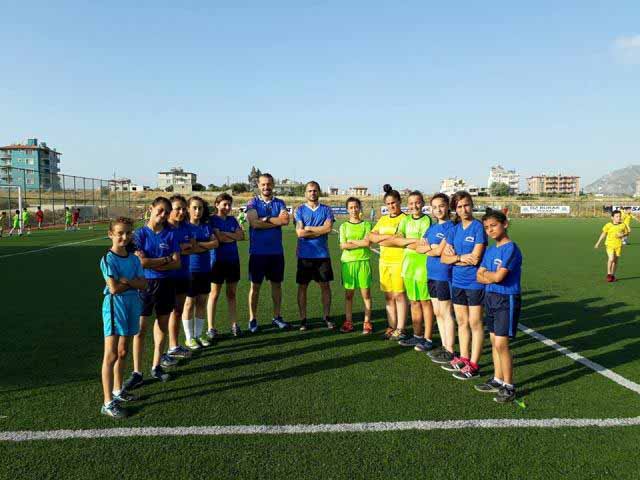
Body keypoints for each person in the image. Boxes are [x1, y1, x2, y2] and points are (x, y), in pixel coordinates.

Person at [123, 197, 181, 391]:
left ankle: (156, 366)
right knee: (140, 329)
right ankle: (137, 373)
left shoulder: (171, 234)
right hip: (145, 285)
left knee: (162, 325)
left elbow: (177, 263)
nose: (163, 215)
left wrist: (153, 261)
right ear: (151, 208)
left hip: (166, 284)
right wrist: (165, 259)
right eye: (160, 210)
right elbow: (142, 263)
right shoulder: (139, 235)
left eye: (167, 212)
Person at [99, 217, 147, 418]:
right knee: (111, 354)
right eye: (120, 233)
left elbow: (144, 284)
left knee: (123, 350)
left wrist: (128, 282)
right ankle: (107, 402)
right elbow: (114, 288)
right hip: (115, 306)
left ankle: (118, 390)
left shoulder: (134, 259)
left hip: (132, 304)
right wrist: (132, 283)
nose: (124, 237)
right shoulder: (108, 259)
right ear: (111, 234)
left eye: (128, 233)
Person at [475, 209, 523, 403]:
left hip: (506, 299)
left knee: (502, 344)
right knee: (494, 341)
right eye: (487, 227)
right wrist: (490, 276)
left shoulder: (511, 249)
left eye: (493, 225)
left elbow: (499, 277)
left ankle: (509, 386)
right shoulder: (491, 250)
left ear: (505, 224)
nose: (490, 230)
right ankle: (498, 379)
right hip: (491, 297)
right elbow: (479, 276)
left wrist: (488, 276)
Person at [441, 191, 487, 380]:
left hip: (475, 283)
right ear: (455, 209)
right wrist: (459, 258)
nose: (464, 209)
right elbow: (444, 258)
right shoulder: (454, 229)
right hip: (457, 282)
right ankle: (464, 358)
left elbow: (475, 259)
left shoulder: (478, 228)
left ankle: (474, 365)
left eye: (466, 205)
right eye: (459, 207)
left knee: (475, 323)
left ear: (472, 205)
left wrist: (454, 258)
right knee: (461, 321)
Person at [245, 173, 291, 333]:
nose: (266, 187)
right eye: (263, 184)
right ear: (258, 185)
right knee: (255, 287)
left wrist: (264, 219)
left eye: (269, 184)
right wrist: (274, 221)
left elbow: (285, 220)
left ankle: (277, 316)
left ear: (273, 185)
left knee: (276, 286)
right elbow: (254, 223)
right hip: (257, 253)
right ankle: (252, 319)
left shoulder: (280, 202)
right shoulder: (252, 202)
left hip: (276, 253)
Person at [390, 191, 433, 350]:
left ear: (423, 204)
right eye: (411, 203)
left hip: (422, 266)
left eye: (417, 202)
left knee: (425, 302)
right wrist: (413, 241)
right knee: (414, 302)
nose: (414, 206)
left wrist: (405, 242)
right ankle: (417, 336)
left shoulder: (426, 220)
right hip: (408, 266)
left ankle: (428, 338)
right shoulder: (405, 220)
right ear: (407, 205)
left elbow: (423, 245)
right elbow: (396, 239)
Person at [419, 194, 457, 364]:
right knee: (437, 312)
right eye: (434, 207)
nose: (438, 210)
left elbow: (438, 251)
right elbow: (420, 247)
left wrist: (431, 248)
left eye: (441, 206)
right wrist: (431, 248)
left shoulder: (451, 227)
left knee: (446, 312)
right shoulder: (431, 228)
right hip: (431, 274)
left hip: (444, 274)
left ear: (447, 206)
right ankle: (444, 345)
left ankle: (450, 350)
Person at [295, 181, 335, 331]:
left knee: (325, 286)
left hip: (322, 255)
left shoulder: (326, 210)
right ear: (305, 193)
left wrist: (309, 228)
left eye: (315, 190)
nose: (312, 193)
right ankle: (303, 319)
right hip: (304, 256)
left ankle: (326, 317)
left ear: (319, 192)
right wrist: (320, 230)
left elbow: (328, 228)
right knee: (302, 287)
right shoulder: (299, 210)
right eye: (310, 191)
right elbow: (300, 232)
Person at [369, 185, 407, 340]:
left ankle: (401, 328)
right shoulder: (383, 219)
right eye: (388, 204)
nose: (391, 206)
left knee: (399, 295)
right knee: (389, 296)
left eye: (394, 203)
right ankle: (391, 326)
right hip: (384, 262)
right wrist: (388, 238)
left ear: (399, 201)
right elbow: (371, 236)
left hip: (399, 261)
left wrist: (382, 239)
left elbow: (398, 241)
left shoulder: (405, 219)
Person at [182, 196, 219, 349]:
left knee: (202, 302)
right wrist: (205, 245)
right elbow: (188, 248)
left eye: (200, 208)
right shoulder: (184, 227)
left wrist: (198, 244)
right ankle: (189, 337)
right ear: (188, 209)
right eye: (194, 208)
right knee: (189, 303)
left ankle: (198, 335)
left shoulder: (206, 227)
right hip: (190, 270)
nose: (197, 211)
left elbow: (215, 243)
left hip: (205, 269)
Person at [209, 193, 244, 338]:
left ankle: (234, 325)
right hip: (217, 261)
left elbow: (241, 236)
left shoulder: (232, 219)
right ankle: (211, 327)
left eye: (229, 205)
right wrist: (231, 235)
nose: (227, 207)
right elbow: (219, 238)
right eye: (224, 204)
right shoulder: (212, 220)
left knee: (231, 294)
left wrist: (226, 234)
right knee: (214, 294)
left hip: (233, 260)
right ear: (217, 205)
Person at [339, 197, 373, 334]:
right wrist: (360, 242)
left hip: (363, 262)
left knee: (366, 294)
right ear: (347, 210)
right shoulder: (344, 226)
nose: (354, 210)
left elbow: (367, 243)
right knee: (349, 295)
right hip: (348, 263)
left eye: (356, 207)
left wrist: (352, 241)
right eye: (351, 207)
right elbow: (343, 245)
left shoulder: (366, 225)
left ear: (360, 208)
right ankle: (348, 322)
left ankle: (367, 322)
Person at [166, 195, 194, 360]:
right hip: (166, 276)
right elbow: (164, 251)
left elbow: (193, 247)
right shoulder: (163, 228)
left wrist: (178, 249)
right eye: (178, 209)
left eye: (184, 209)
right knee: (163, 315)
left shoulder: (186, 226)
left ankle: (173, 346)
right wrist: (181, 248)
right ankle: (161, 354)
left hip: (184, 273)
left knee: (177, 311)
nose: (182, 212)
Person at [594, 209, 629, 282]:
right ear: (612, 217)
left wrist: (622, 235)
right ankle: (609, 274)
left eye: (619, 216)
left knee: (615, 261)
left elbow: (627, 233)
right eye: (617, 216)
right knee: (611, 258)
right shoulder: (608, 225)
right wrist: (598, 243)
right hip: (609, 244)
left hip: (618, 245)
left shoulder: (623, 225)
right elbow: (603, 233)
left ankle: (613, 275)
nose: (619, 218)